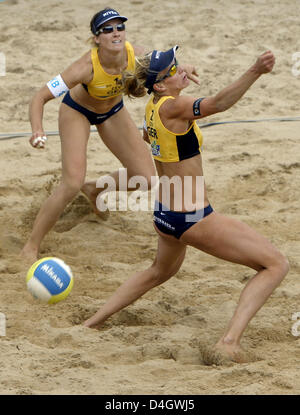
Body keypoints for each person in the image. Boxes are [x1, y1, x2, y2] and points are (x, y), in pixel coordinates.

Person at [83, 45, 289, 363]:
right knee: (275, 265)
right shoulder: (173, 108)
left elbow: (148, 135)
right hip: (192, 217)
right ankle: (229, 342)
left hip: (165, 216)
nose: (181, 70)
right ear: (161, 84)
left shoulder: (153, 107)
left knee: (157, 272)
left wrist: (178, 76)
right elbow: (218, 103)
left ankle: (91, 323)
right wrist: (255, 71)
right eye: (173, 69)